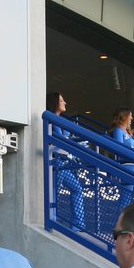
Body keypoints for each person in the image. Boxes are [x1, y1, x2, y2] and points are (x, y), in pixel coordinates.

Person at [46, 92, 86, 231]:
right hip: (55, 162)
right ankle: (53, 221)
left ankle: (78, 225)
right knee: (54, 193)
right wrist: (67, 135)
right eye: (62, 100)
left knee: (76, 189)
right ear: (55, 103)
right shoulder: (51, 118)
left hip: (61, 162)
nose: (65, 103)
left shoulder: (59, 120)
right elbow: (61, 139)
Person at [108, 107, 134, 204]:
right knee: (126, 198)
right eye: (130, 116)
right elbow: (119, 150)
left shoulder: (127, 132)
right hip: (126, 167)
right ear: (125, 116)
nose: (131, 118)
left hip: (133, 167)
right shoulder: (118, 131)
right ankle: (121, 218)